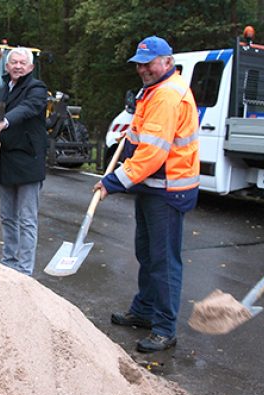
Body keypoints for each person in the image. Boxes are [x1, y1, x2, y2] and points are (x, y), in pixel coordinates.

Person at [93, 36, 199, 353]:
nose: (143, 69)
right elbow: (139, 138)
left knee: (164, 262)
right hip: (151, 187)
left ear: (167, 61)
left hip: (168, 191)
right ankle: (144, 310)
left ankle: (165, 328)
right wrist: (126, 147)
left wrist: (113, 182)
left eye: (149, 63)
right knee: (147, 254)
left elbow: (153, 153)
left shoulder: (168, 95)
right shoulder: (151, 91)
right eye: (139, 64)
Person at [0, 47, 48, 276]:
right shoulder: (2, 90)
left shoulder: (37, 89)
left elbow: (27, 109)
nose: (18, 66)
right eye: (14, 62)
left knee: (27, 219)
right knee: (7, 217)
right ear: (7, 66)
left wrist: (4, 123)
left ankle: (24, 270)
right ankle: (9, 261)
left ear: (30, 67)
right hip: (7, 159)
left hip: (29, 160)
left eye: (23, 63)